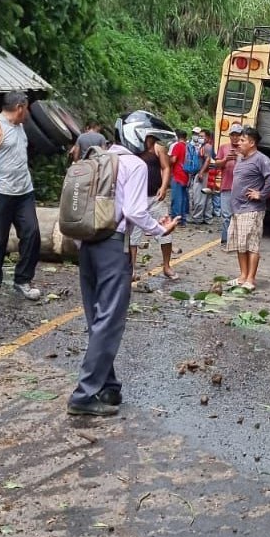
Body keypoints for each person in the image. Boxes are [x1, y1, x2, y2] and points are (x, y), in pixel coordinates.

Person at [68, 133, 180, 417]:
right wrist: (159, 229)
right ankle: (84, 395)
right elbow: (133, 210)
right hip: (112, 246)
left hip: (86, 246)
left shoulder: (88, 163)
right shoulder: (133, 165)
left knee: (97, 317)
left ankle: (109, 385)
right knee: (110, 321)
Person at [0, 91, 40, 302]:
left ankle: (23, 280)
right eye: (27, 108)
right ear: (20, 107)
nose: (28, 113)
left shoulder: (19, 126)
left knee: (32, 233)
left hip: (23, 191)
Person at [227, 127, 270, 291]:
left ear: (252, 143)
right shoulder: (241, 159)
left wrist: (261, 194)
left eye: (242, 140)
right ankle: (242, 276)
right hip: (237, 209)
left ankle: (251, 278)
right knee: (240, 244)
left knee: (251, 244)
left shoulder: (260, 159)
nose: (238, 143)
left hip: (251, 209)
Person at [130, 128, 175, 282]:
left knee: (165, 231)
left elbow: (166, 167)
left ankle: (167, 266)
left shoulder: (158, 147)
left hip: (155, 196)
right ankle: (132, 269)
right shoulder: (133, 147)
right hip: (137, 197)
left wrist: (164, 187)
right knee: (133, 236)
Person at [215, 124, 242, 245]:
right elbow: (217, 164)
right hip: (226, 186)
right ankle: (225, 240)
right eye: (233, 135)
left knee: (237, 215)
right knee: (225, 215)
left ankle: (236, 240)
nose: (235, 138)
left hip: (240, 188)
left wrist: (239, 158)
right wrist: (226, 159)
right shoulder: (223, 147)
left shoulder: (244, 149)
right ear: (230, 136)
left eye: (237, 135)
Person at [187, 128, 213, 224]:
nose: (200, 138)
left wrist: (201, 172)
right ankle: (207, 217)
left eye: (202, 136)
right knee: (206, 197)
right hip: (204, 173)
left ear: (208, 137)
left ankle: (197, 217)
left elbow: (207, 160)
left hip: (203, 174)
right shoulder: (204, 146)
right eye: (200, 136)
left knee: (199, 197)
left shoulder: (206, 147)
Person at [167, 131, 190, 222]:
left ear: (177, 137)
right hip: (185, 175)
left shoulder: (177, 146)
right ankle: (183, 218)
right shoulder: (188, 147)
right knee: (183, 198)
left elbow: (173, 159)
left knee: (176, 198)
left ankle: (176, 218)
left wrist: (166, 162)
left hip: (177, 174)